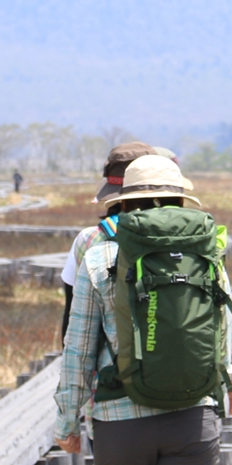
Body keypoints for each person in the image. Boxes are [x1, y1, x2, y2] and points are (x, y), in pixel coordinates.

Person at [55, 155, 232, 465]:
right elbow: (223, 340)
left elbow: (78, 348)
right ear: (180, 201)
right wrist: (228, 384)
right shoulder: (208, 251)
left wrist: (68, 423)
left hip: (120, 423)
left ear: (124, 202)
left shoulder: (100, 254)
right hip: (194, 421)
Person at [58, 141, 156, 342]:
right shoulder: (192, 235)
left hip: (113, 366)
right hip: (183, 366)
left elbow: (73, 316)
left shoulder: (89, 239)